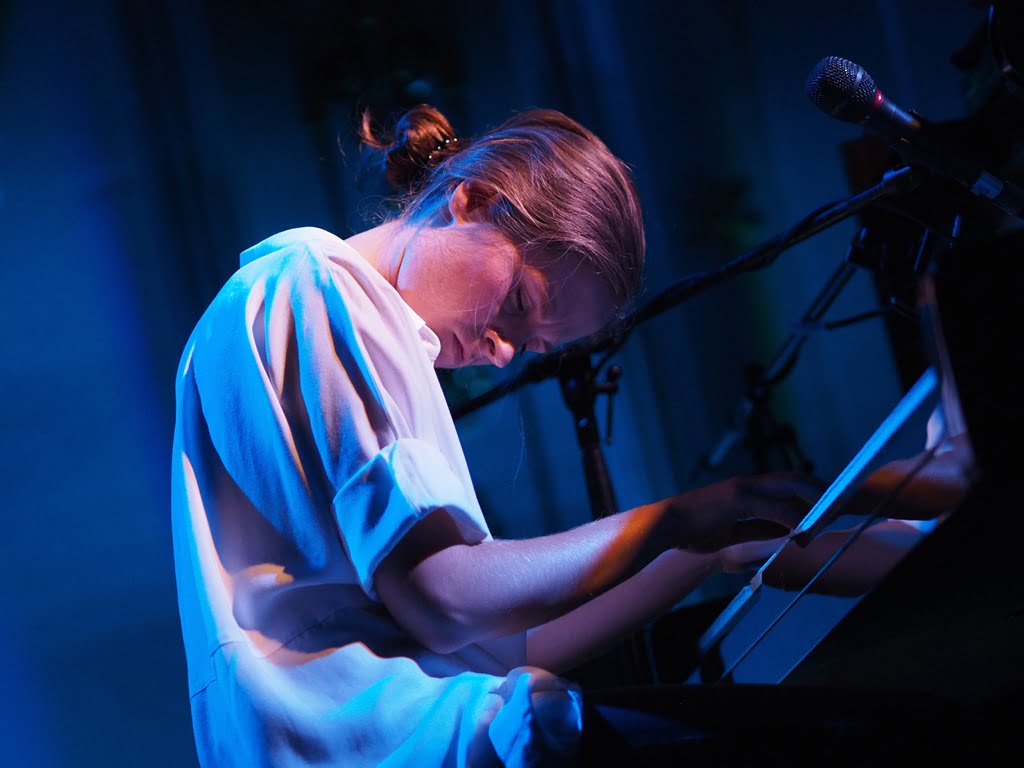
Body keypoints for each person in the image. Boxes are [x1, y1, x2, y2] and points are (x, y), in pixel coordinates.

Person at [170, 104, 820, 767]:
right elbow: (445, 599)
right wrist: (678, 517)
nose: (506, 353)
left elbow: (502, 641)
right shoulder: (318, 286)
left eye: (534, 346)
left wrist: (706, 549)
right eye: (520, 303)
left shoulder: (330, 307)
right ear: (472, 199)